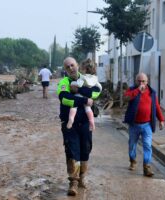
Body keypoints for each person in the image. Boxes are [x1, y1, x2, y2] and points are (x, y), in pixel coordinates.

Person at [57, 57, 101, 196]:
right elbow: (64, 99)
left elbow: (95, 93)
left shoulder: (88, 79)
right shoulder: (63, 82)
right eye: (68, 67)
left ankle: (82, 178)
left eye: (72, 65)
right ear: (65, 69)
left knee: (85, 150)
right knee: (72, 151)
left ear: (77, 66)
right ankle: (73, 182)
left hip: (85, 123)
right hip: (70, 125)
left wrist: (79, 88)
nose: (71, 68)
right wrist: (83, 100)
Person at [123, 72, 165, 177]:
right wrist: (137, 90)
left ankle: (146, 167)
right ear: (136, 81)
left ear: (147, 82)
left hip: (147, 125)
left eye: (143, 81)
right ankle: (132, 160)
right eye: (139, 81)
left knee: (147, 145)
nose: (141, 83)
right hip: (134, 125)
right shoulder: (132, 89)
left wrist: (161, 120)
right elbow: (126, 98)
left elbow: (156, 107)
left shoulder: (152, 92)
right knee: (132, 145)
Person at [67, 58, 102, 131]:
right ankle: (92, 122)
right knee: (88, 108)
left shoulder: (83, 77)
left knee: (74, 106)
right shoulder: (94, 78)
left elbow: (78, 85)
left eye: (81, 68)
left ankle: (71, 119)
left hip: (80, 96)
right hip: (88, 99)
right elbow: (99, 88)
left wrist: (73, 85)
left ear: (85, 69)